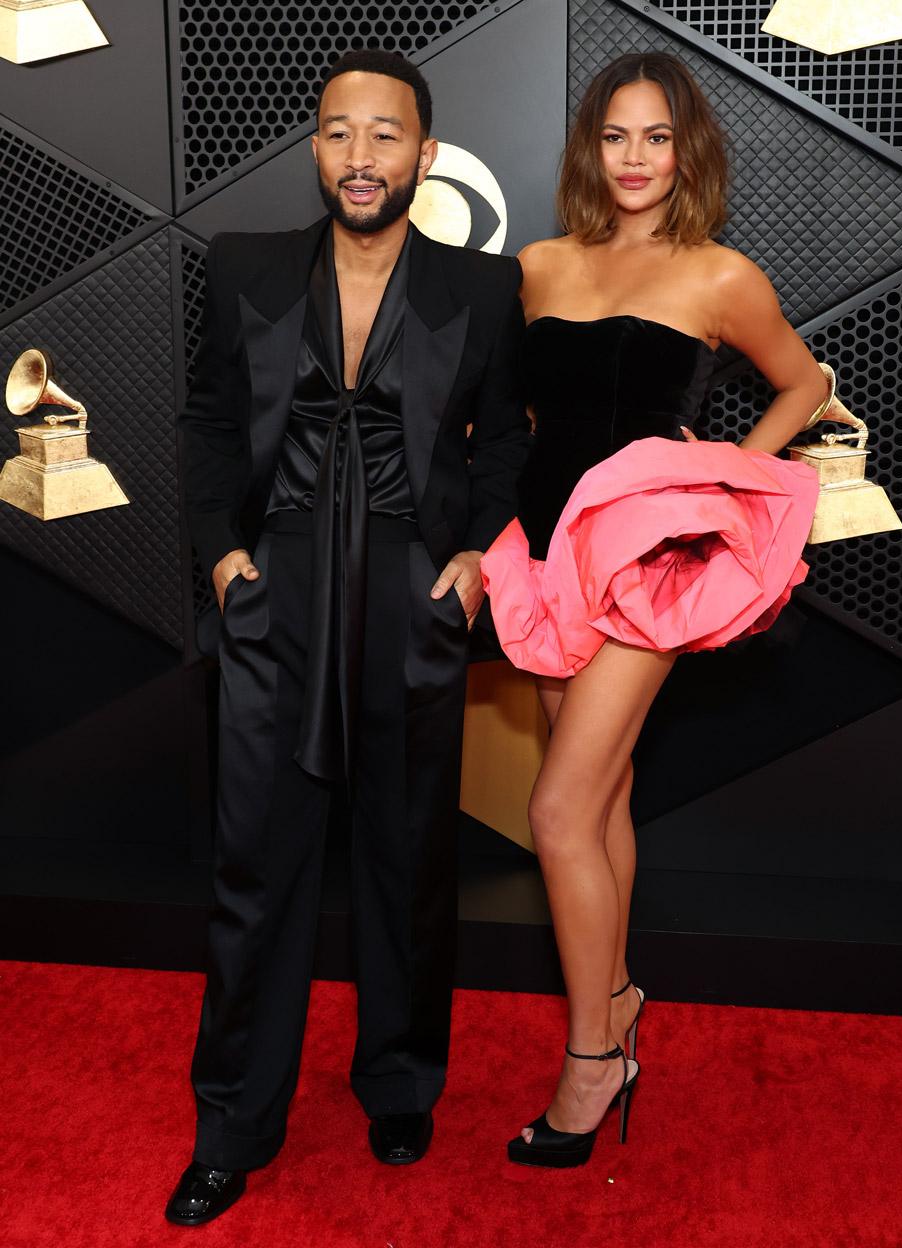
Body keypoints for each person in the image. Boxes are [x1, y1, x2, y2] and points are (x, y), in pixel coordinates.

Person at [166, 49, 530, 1224]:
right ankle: (234, 1121)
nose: (360, 156)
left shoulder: (481, 287)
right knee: (254, 867)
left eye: (386, 135)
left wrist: (473, 559)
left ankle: (400, 1082)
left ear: (426, 154)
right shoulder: (241, 267)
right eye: (338, 133)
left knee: (408, 856)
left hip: (411, 598)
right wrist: (225, 560)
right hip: (276, 591)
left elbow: (505, 445)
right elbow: (209, 422)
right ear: (314, 148)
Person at [480, 52, 825, 1168]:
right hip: (542, 547)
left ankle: (591, 1063)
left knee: (557, 811)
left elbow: (804, 381)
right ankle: (619, 999)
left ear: (688, 152)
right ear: (590, 148)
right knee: (607, 792)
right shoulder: (534, 264)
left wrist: (725, 467)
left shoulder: (720, 275)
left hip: (647, 565)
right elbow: (522, 409)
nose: (635, 159)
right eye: (617, 136)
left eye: (658, 138)